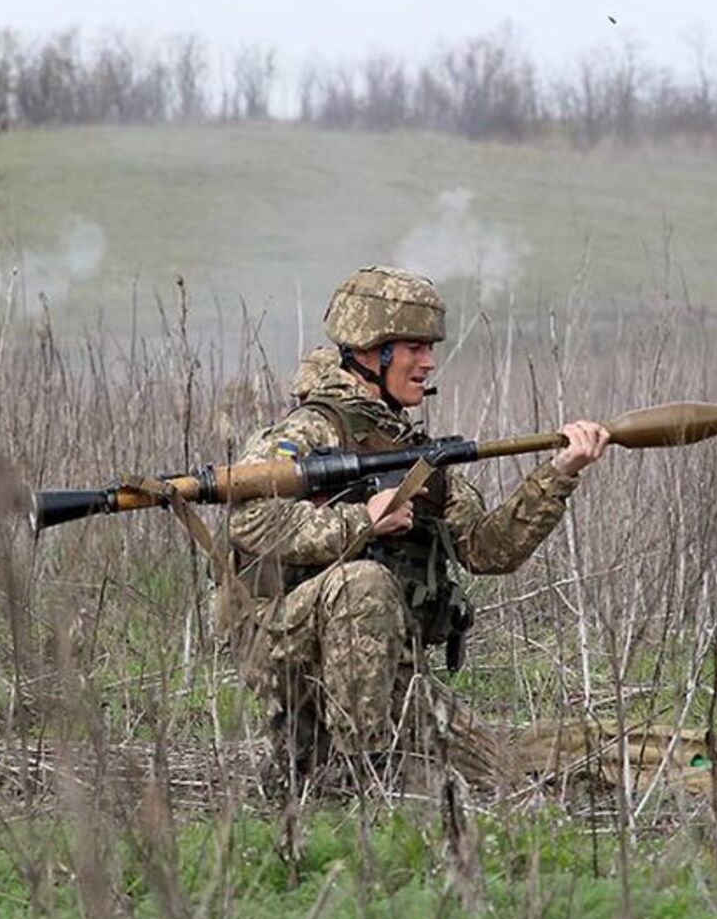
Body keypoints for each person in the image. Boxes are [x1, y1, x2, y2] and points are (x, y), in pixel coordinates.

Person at [220, 266, 609, 791]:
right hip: (281, 641)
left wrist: (560, 474)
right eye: (413, 348)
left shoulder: (409, 447)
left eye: (430, 348)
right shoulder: (306, 431)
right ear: (370, 350)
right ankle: (352, 775)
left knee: (506, 781)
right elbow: (252, 522)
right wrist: (364, 520)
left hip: (383, 666)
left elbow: (487, 550)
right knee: (364, 584)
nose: (428, 362)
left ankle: (333, 756)